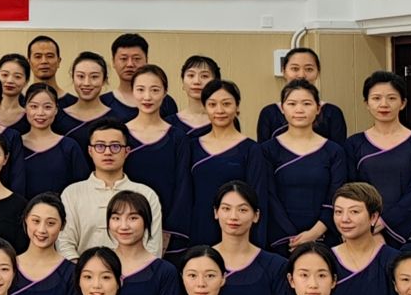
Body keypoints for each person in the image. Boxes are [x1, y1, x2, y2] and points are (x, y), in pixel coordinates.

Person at [259, 80, 347, 255]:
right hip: (280, 240)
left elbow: (336, 196)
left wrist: (315, 232)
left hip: (324, 237)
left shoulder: (334, 151)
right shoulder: (267, 150)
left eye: (307, 103)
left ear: (318, 108)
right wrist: (292, 236)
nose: (299, 109)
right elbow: (268, 196)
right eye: (292, 104)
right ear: (282, 108)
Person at [347, 71, 411, 246]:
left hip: (407, 230)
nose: (384, 104)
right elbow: (350, 189)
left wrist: (384, 223)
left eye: (392, 98)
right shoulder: (354, 144)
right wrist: (367, 224)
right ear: (366, 103)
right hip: (365, 229)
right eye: (376, 98)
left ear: (403, 103)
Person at [55, 120, 163, 258]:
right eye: (100, 146)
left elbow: (153, 246)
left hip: (136, 271)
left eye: (115, 146)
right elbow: (64, 243)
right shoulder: (72, 193)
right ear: (90, 151)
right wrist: (83, 270)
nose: (107, 152)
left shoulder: (146, 194)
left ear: (127, 151)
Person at [184, 80, 267, 248]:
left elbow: (259, 197)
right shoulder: (191, 146)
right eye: (212, 104)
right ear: (205, 107)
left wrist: (257, 242)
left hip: (238, 231)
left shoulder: (251, 149)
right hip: (199, 229)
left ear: (237, 106)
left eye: (226, 104)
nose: (219, 110)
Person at [121, 66, 191, 255]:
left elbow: (183, 185)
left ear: (165, 92)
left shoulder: (177, 137)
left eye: (155, 90)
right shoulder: (120, 134)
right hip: (123, 224)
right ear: (132, 91)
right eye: (140, 89)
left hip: (167, 227)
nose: (147, 97)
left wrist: (168, 231)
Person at [209, 182, 293, 295]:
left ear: (256, 215)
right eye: (226, 209)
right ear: (216, 212)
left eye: (242, 210)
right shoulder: (198, 262)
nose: (233, 216)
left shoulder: (276, 266)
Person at [105, 191, 181, 295]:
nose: (124, 226)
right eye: (116, 218)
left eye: (133, 218)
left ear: (146, 222)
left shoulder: (164, 271)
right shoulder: (98, 264)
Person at [256, 48, 348, 142]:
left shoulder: (332, 113)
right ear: (284, 71)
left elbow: (338, 149)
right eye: (295, 69)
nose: (301, 75)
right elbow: (263, 149)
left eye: (309, 69)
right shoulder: (269, 113)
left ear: (318, 72)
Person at [15, 83, 88, 198]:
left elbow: (82, 188)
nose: (40, 113)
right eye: (34, 106)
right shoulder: (15, 145)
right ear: (25, 108)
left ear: (56, 110)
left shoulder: (69, 147)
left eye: (47, 107)